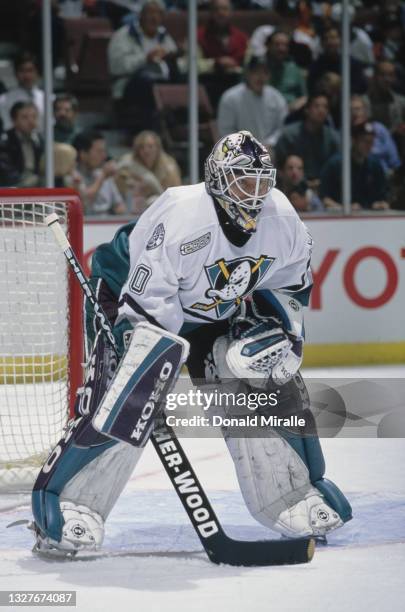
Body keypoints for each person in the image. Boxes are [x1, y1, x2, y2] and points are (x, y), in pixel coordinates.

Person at [30, 130, 352, 556]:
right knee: (130, 392)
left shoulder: (282, 220)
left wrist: (282, 333)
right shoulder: (182, 214)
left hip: (212, 311)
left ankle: (291, 493)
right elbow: (148, 303)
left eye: (261, 180)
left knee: (257, 368)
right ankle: (69, 502)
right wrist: (151, 367)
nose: (254, 193)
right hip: (129, 295)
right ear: (217, 179)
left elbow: (290, 287)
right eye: (242, 180)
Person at [108, 0, 179, 118]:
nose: (154, 17)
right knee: (147, 82)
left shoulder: (164, 36)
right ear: (140, 15)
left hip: (161, 83)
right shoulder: (123, 35)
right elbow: (116, 67)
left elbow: (174, 62)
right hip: (128, 87)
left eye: (158, 14)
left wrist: (173, 56)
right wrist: (145, 58)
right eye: (150, 13)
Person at [217, 57, 288, 147]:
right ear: (247, 74)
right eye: (256, 72)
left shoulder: (277, 98)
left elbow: (282, 127)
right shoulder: (230, 98)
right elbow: (226, 130)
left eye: (265, 73)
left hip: (270, 149)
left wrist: (270, 142)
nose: (260, 77)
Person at [320, 121, 390, 211]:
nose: (369, 146)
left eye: (371, 142)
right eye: (365, 141)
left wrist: (381, 203)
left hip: (371, 218)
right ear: (354, 140)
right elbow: (324, 198)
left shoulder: (375, 165)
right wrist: (344, 208)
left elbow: (383, 195)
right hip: (340, 218)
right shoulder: (335, 164)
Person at [275, 94, 340, 185]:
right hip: (292, 186)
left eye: (325, 107)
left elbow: (336, 169)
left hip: (324, 188)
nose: (321, 110)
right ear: (307, 110)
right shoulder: (289, 135)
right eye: (317, 106)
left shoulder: (333, 138)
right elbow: (279, 167)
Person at [116, 130, 181, 215]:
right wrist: (134, 187)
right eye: (142, 147)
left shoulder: (169, 166)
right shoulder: (127, 164)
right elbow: (120, 188)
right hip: (134, 210)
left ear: (158, 148)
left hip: (163, 210)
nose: (146, 151)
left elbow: (176, 192)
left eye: (150, 146)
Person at [197, 0, 248, 107]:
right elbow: (192, 64)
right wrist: (217, 63)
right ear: (211, 13)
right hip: (208, 83)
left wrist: (236, 67)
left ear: (231, 12)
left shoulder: (242, 37)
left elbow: (249, 65)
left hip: (236, 84)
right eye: (216, 9)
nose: (221, 13)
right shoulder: (198, 36)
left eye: (225, 9)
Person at [71, 130, 126, 215]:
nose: (104, 156)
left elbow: (119, 205)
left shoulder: (102, 173)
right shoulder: (73, 175)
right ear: (83, 154)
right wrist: (102, 177)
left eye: (104, 151)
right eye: (99, 151)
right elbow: (84, 202)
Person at [307, 26, 368, 96]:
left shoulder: (352, 64)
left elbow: (361, 88)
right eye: (326, 38)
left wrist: (339, 83)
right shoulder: (316, 65)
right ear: (321, 42)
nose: (329, 42)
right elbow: (312, 88)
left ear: (341, 40)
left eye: (333, 38)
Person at [350, 95, 400, 175]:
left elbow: (394, 161)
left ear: (365, 111)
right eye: (350, 110)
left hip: (384, 176)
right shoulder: (344, 134)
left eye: (358, 109)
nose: (354, 113)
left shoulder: (379, 129)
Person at [0, 101, 43, 187]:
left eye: (34, 117)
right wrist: (23, 179)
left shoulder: (39, 140)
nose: (31, 121)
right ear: (14, 120)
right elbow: (5, 169)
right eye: (25, 117)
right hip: (14, 184)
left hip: (37, 182)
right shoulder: (5, 141)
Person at [263, 29, 307, 111]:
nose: (281, 49)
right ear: (268, 45)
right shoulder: (257, 68)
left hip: (290, 114)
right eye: (277, 45)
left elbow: (304, 97)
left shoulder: (294, 69)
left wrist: (297, 104)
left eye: (285, 45)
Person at [0, 52, 44, 132]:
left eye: (30, 70)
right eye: (22, 70)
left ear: (37, 72)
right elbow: (8, 128)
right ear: (16, 73)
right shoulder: (4, 100)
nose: (27, 75)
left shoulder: (47, 98)